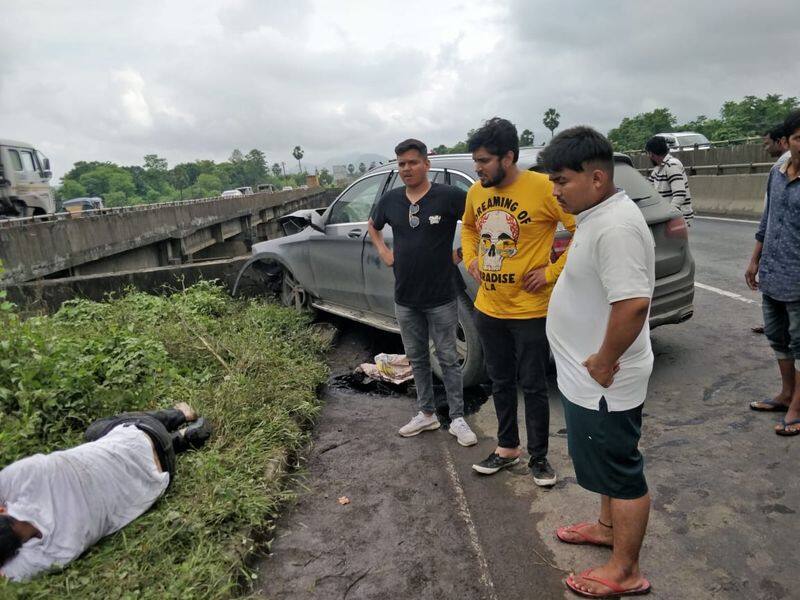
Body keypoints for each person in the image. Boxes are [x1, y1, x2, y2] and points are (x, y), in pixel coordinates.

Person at [542, 126, 655, 597]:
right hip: (589, 379)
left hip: (603, 381)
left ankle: (625, 570)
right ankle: (608, 528)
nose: (555, 190)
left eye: (562, 181)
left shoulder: (617, 226)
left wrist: (605, 361)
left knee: (621, 468)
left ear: (596, 178)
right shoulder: (596, 215)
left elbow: (632, 305)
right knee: (606, 464)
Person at [461, 117, 576, 486]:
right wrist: (471, 258)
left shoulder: (543, 187)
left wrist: (551, 272)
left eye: (483, 160)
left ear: (507, 157)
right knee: (500, 382)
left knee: (533, 385)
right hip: (488, 308)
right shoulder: (477, 191)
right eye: (476, 161)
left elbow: (582, 229)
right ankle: (507, 448)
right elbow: (468, 227)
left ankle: (539, 457)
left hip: (531, 310)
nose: (477, 168)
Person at [0, 403, 212, 581]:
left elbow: (7, 574)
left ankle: (182, 438)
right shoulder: (29, 476)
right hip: (144, 433)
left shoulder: (54, 552)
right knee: (95, 430)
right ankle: (180, 414)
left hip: (163, 476)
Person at [368, 138, 477, 447]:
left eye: (413, 162)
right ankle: (426, 413)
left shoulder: (449, 196)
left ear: (426, 164)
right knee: (417, 358)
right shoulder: (391, 200)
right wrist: (385, 253)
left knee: (447, 357)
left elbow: (478, 221)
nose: (407, 169)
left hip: (441, 296)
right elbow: (372, 226)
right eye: (401, 164)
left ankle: (457, 417)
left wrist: (462, 253)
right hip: (406, 298)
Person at [745, 110, 800, 434]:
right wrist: (754, 260)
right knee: (778, 338)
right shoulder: (776, 172)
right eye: (798, 138)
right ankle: (786, 392)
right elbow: (767, 220)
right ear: (787, 141)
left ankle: (797, 406)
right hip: (773, 273)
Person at [750, 123, 790, 335]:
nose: (765, 148)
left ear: (781, 141)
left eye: (767, 144)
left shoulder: (783, 166)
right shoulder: (780, 168)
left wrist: (755, 259)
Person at [645, 136, 694, 224]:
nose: (648, 156)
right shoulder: (658, 169)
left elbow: (680, 195)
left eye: (647, 153)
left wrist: (668, 215)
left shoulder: (672, 165)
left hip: (677, 219)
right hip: (668, 218)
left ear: (652, 154)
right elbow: (648, 190)